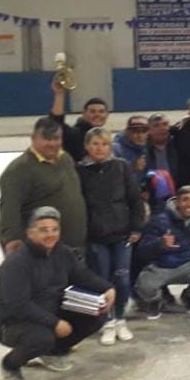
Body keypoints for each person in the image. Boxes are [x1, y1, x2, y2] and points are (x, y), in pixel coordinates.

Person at [0, 207, 114, 380]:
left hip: (49, 309)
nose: (50, 235)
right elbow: (18, 305)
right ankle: (10, 365)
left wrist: (107, 288)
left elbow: (81, 275)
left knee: (96, 315)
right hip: (11, 321)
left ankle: (52, 352)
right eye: (43, 230)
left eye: (54, 229)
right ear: (30, 233)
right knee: (42, 338)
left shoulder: (62, 253)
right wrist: (55, 323)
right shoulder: (16, 264)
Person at [76, 127, 145, 346]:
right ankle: (107, 322)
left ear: (110, 147)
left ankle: (120, 318)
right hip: (96, 237)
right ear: (87, 146)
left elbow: (135, 199)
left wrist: (136, 228)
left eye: (104, 144)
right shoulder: (79, 171)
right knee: (102, 281)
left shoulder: (121, 167)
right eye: (95, 144)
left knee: (122, 279)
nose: (100, 148)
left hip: (122, 236)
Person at [0, 116, 87, 257]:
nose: (52, 143)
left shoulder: (66, 159)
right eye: (46, 139)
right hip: (42, 251)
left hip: (74, 248)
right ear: (33, 138)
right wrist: (12, 239)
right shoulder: (19, 169)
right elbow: (9, 210)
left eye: (56, 138)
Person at [135, 185, 190, 319]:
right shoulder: (159, 219)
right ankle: (156, 301)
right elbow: (142, 250)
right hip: (161, 267)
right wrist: (160, 244)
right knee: (145, 285)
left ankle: (189, 297)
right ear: (177, 202)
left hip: (189, 264)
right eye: (185, 200)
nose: (189, 204)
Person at [49, 79, 109, 162]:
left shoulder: (105, 136)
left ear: (107, 115)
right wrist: (59, 95)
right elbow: (55, 123)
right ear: (83, 114)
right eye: (92, 111)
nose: (97, 115)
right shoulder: (74, 134)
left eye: (101, 112)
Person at [143, 113, 179, 215]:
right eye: (156, 125)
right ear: (149, 130)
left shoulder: (178, 145)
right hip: (151, 200)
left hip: (178, 197)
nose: (162, 128)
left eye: (165, 124)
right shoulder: (142, 149)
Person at [113, 115, 150, 187]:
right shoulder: (116, 149)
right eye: (135, 131)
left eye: (144, 131)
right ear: (127, 132)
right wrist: (132, 167)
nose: (140, 136)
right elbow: (112, 174)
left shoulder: (149, 146)